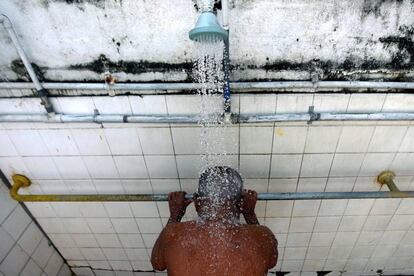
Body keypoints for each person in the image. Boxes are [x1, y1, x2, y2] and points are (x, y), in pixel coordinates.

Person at [151, 166, 278, 275]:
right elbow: (271, 262)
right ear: (241, 204)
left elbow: (158, 264)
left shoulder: (172, 233)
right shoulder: (263, 236)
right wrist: (249, 214)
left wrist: (175, 216)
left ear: (197, 202)